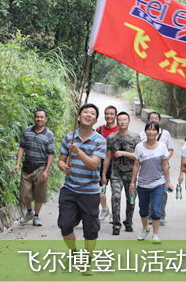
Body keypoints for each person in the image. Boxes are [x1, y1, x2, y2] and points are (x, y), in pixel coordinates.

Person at [57, 103, 106, 257]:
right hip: (70, 189)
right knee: (65, 225)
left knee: (90, 230)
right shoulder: (69, 137)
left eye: (92, 113)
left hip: (90, 192)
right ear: (78, 117)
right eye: (85, 112)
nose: (88, 115)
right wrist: (63, 166)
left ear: (95, 120)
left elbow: (93, 165)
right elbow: (61, 159)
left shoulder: (100, 140)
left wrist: (77, 150)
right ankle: (74, 254)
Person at [130, 121, 173, 244]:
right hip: (143, 183)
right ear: (145, 131)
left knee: (155, 209)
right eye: (149, 129)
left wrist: (168, 181)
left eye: (154, 130)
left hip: (158, 183)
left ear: (157, 132)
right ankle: (145, 229)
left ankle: (155, 234)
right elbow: (136, 165)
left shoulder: (162, 147)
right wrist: (132, 182)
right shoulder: (139, 147)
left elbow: (165, 165)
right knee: (143, 210)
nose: (151, 132)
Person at [14, 109, 55, 226]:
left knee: (39, 194)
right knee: (25, 193)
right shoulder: (27, 131)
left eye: (42, 117)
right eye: (37, 117)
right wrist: (17, 163)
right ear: (34, 118)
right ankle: (29, 212)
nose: (39, 119)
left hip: (41, 167)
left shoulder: (49, 134)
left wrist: (46, 170)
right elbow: (22, 147)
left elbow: (51, 153)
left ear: (46, 119)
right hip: (27, 166)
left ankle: (36, 216)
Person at [102, 111, 140, 235]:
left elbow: (139, 156)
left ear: (129, 122)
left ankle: (128, 222)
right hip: (116, 173)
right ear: (117, 122)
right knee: (116, 197)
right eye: (120, 120)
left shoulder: (135, 138)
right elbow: (107, 157)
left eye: (125, 120)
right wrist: (103, 174)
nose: (122, 122)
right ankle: (116, 224)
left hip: (131, 173)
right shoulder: (112, 138)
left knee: (131, 199)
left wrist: (124, 153)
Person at [139, 111, 174, 225]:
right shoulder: (142, 135)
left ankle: (160, 215)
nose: (153, 120)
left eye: (156, 118)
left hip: (162, 166)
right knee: (148, 191)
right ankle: (150, 215)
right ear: (147, 120)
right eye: (151, 118)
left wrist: (165, 159)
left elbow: (171, 149)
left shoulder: (166, 134)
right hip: (148, 167)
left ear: (160, 121)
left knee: (161, 191)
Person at [96, 105, 118, 221]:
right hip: (101, 164)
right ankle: (104, 209)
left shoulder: (119, 130)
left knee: (115, 192)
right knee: (101, 191)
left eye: (111, 114)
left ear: (115, 116)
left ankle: (114, 212)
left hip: (115, 164)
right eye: (106, 113)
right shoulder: (99, 130)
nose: (109, 116)